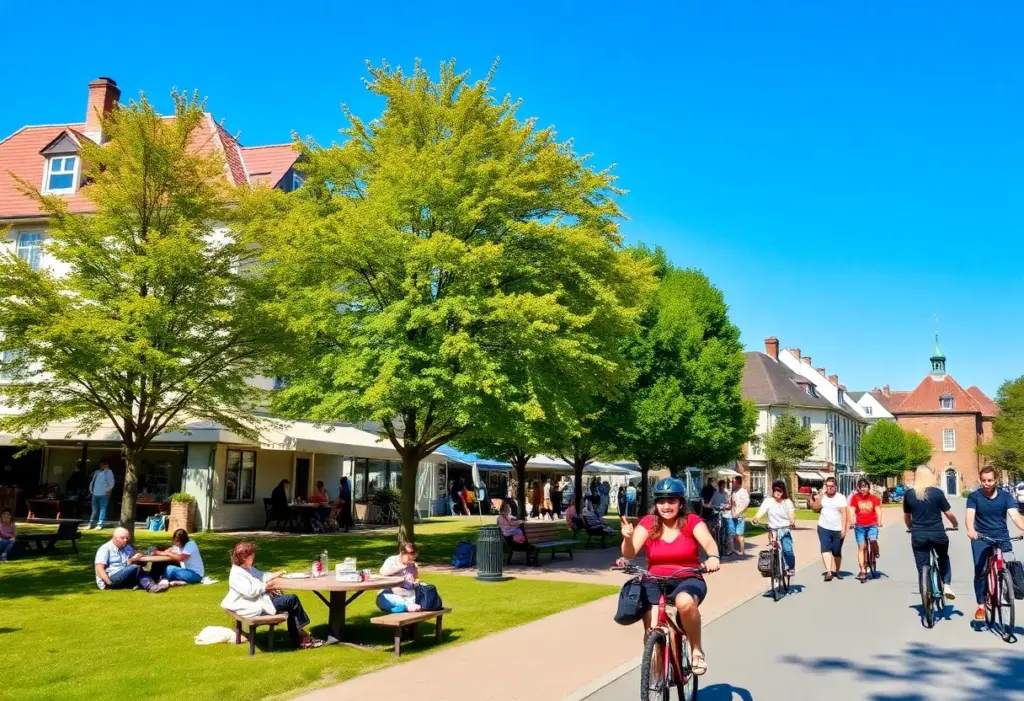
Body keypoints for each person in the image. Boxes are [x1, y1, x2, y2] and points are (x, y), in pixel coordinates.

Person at [620, 477, 720, 676]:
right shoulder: (648, 523)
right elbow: (629, 553)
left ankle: (696, 650)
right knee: (652, 627)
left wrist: (713, 557)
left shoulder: (692, 521)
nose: (666, 506)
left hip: (688, 577)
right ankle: (655, 678)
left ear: (680, 503)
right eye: (661, 501)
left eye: (672, 501)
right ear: (655, 503)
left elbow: (709, 542)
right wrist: (627, 538)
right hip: (654, 580)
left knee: (685, 603)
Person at [221, 541, 322, 648]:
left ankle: (299, 637)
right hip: (252, 606)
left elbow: (262, 575)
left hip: (258, 601)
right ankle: (300, 635)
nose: (253, 557)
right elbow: (250, 591)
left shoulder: (247, 569)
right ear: (244, 557)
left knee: (288, 603)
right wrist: (268, 587)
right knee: (292, 600)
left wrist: (276, 574)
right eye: (252, 555)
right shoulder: (237, 574)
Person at [966, 465, 1024, 621]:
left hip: (1001, 536)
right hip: (981, 537)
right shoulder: (974, 497)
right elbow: (970, 516)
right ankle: (981, 605)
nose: (986, 483)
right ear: (980, 480)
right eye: (984, 480)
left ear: (996, 480)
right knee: (980, 571)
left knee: (1011, 565)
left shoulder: (1006, 497)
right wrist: (971, 530)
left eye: (990, 480)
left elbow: (1016, 516)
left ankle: (1008, 589)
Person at [904, 465, 958, 600]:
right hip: (937, 533)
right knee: (943, 557)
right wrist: (955, 524)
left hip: (918, 535)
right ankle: (946, 585)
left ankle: (925, 589)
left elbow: (907, 517)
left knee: (922, 565)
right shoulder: (937, 493)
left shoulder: (909, 494)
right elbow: (948, 514)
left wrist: (911, 527)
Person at [94, 527, 169, 593]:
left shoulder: (127, 547)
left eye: (127, 538)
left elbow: (132, 563)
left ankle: (156, 583)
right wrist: (107, 585)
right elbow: (99, 568)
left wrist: (139, 558)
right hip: (112, 577)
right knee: (135, 567)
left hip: (125, 575)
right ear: (114, 537)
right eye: (122, 538)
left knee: (143, 570)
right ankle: (152, 586)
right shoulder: (105, 549)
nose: (125, 540)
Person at [377, 542, 442, 613]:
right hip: (394, 594)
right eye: (410, 554)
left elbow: (415, 580)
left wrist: (415, 582)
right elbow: (383, 572)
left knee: (428, 597)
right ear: (402, 553)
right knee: (382, 598)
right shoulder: (392, 560)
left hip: (409, 595)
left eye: (414, 554)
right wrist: (400, 568)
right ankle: (408, 607)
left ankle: (405, 607)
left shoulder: (412, 565)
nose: (412, 557)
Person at [753, 480, 796, 576]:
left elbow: (791, 514)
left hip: (784, 528)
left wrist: (792, 522)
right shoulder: (768, 501)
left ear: (783, 492)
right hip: (772, 529)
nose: (777, 493)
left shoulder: (787, 502)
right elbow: (762, 510)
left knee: (787, 550)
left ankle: (791, 567)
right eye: (775, 490)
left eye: (779, 491)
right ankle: (772, 565)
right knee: (772, 548)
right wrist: (756, 517)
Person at [811, 476, 848, 581]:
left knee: (836, 551)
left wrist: (844, 529)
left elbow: (844, 514)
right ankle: (829, 572)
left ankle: (837, 570)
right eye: (827, 486)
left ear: (835, 487)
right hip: (823, 527)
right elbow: (814, 508)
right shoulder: (823, 497)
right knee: (825, 549)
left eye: (831, 486)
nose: (829, 488)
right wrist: (821, 495)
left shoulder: (840, 498)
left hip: (837, 528)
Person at [849, 478, 882, 582]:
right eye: (862, 487)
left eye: (865, 487)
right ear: (858, 488)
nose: (864, 489)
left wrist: (879, 521)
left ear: (869, 488)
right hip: (860, 526)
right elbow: (852, 510)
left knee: (872, 540)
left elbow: (878, 510)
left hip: (872, 524)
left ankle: (875, 552)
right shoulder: (855, 498)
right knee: (861, 547)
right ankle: (863, 570)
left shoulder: (874, 498)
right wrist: (851, 521)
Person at [87, 460, 115, 530]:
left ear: (106, 465)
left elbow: (111, 483)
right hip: (95, 494)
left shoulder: (109, 472)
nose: (101, 466)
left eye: (103, 465)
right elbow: (93, 481)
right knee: (94, 510)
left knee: (103, 509)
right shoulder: (97, 472)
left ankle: (100, 524)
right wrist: (91, 490)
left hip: (103, 494)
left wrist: (108, 491)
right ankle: (91, 523)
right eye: (101, 465)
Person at [726, 476, 750, 557]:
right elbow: (731, 504)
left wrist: (739, 509)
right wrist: (729, 505)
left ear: (738, 483)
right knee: (730, 534)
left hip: (740, 516)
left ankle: (742, 550)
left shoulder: (743, 491)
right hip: (732, 516)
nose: (732, 484)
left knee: (739, 534)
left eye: (733, 482)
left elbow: (746, 503)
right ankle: (731, 550)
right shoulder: (733, 492)